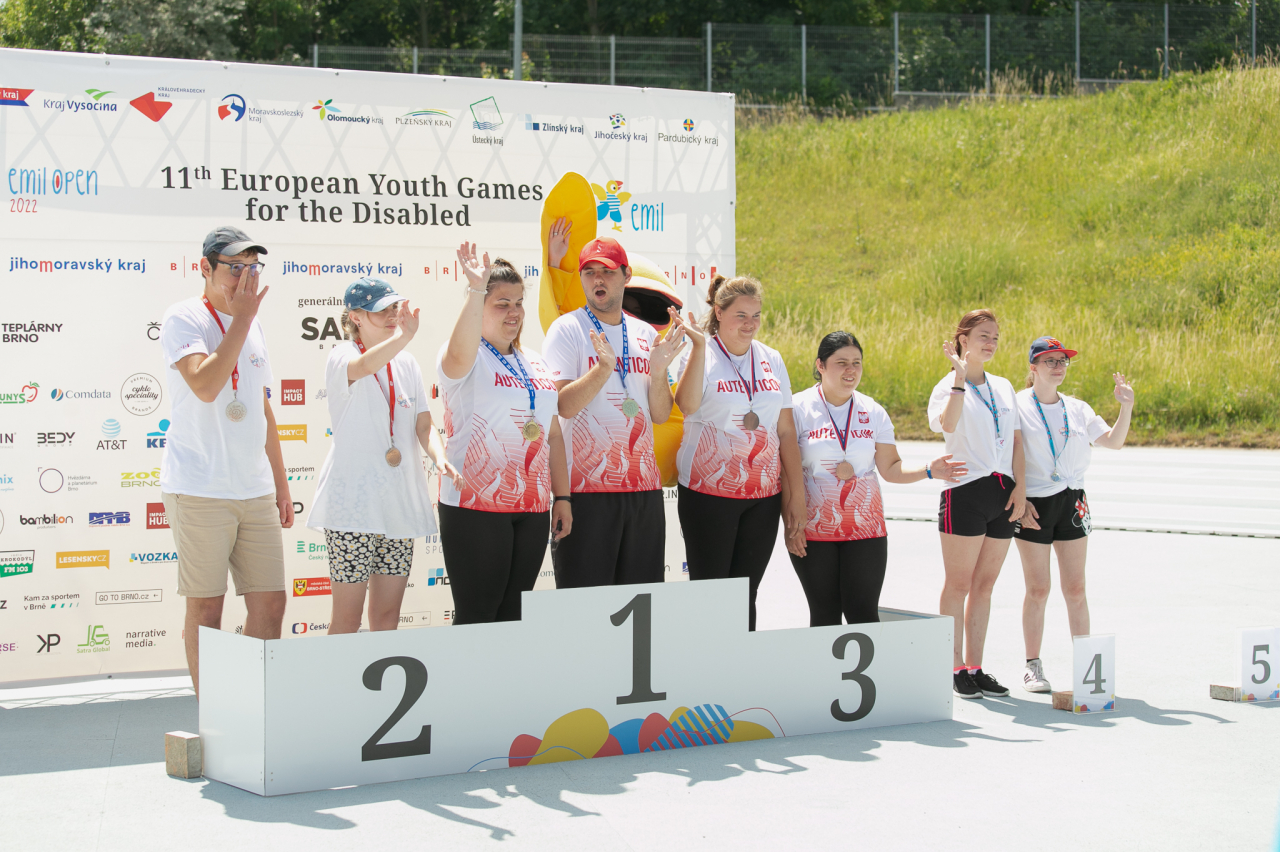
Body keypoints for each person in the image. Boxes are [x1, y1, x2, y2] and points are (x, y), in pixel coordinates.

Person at [158, 226, 290, 698]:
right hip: (200, 487)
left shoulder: (253, 323)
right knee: (207, 609)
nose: (245, 277)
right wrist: (241, 320)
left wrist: (281, 485)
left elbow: (261, 407)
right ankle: (214, 716)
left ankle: (250, 708)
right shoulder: (184, 317)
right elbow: (206, 385)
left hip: (254, 488)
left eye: (253, 267)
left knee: (271, 605)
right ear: (205, 268)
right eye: (235, 267)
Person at [787, 332, 968, 626]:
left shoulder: (873, 411)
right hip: (814, 528)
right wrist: (791, 523)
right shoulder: (797, 409)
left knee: (863, 614)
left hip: (866, 528)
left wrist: (929, 470)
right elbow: (785, 473)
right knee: (824, 615)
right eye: (841, 362)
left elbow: (891, 468)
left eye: (857, 363)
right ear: (820, 365)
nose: (851, 370)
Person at [436, 244, 573, 623]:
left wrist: (562, 496)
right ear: (479, 306)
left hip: (531, 507)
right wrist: (476, 289)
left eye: (518, 303)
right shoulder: (465, 355)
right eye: (501, 304)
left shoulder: (536, 362)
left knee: (514, 614)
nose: (514, 312)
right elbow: (457, 354)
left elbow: (553, 435)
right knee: (478, 614)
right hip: (475, 505)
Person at [542, 236, 688, 587]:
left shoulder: (644, 333)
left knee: (640, 598)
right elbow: (561, 405)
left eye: (607, 271)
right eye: (589, 272)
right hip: (586, 491)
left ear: (626, 275)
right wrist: (602, 369)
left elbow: (659, 414)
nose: (598, 279)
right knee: (585, 602)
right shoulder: (567, 329)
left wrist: (658, 372)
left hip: (643, 491)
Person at [307, 278, 450, 634]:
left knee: (387, 618)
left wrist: (439, 457)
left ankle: (379, 675)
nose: (391, 316)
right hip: (352, 510)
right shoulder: (342, 355)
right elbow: (363, 368)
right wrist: (403, 337)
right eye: (380, 310)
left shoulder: (407, 363)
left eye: (394, 308)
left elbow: (423, 424)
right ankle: (338, 675)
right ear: (355, 317)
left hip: (397, 506)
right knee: (347, 619)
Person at [672, 275, 802, 630]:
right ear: (719, 312)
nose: (750, 324)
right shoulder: (702, 353)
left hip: (763, 496)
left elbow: (786, 431)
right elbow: (686, 405)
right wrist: (699, 348)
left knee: (746, 594)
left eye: (756, 315)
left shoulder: (771, 358)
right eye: (741, 315)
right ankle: (707, 661)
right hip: (708, 492)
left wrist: (797, 496)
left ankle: (741, 661)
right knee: (711, 593)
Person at [1014, 337, 1134, 692]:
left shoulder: (1077, 407)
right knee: (1038, 588)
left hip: (1073, 501)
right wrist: (1017, 499)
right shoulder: (1017, 405)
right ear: (1033, 367)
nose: (1058, 367)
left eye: (1063, 361)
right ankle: (1032, 665)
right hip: (1034, 504)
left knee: (1076, 588)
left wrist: (1126, 407)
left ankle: (1086, 668)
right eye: (1050, 361)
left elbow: (1113, 441)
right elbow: (1005, 455)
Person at [928, 308, 1033, 700]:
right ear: (963, 340)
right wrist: (959, 380)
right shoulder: (946, 385)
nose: (991, 343)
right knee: (958, 584)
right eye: (983, 336)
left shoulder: (1003, 386)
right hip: (965, 491)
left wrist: (1020, 489)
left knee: (984, 586)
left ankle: (975, 666)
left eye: (995, 338)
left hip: (1003, 492)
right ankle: (953, 666)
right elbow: (947, 424)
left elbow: (1017, 442)